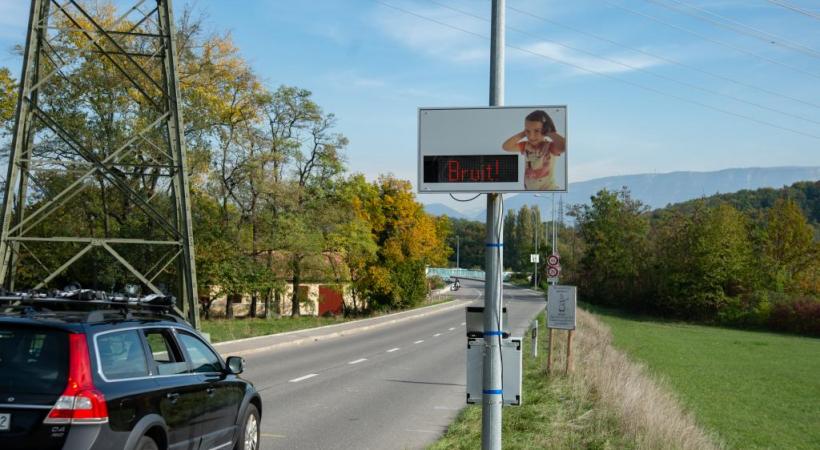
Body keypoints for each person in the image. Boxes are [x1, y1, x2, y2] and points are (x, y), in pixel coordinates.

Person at [502, 110, 566, 190]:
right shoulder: (526, 145)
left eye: (537, 131)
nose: (531, 136)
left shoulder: (550, 147)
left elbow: (564, 146)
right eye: (528, 131)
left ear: (545, 130)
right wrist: (523, 134)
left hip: (548, 189)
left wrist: (550, 132)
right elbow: (506, 147)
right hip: (529, 190)